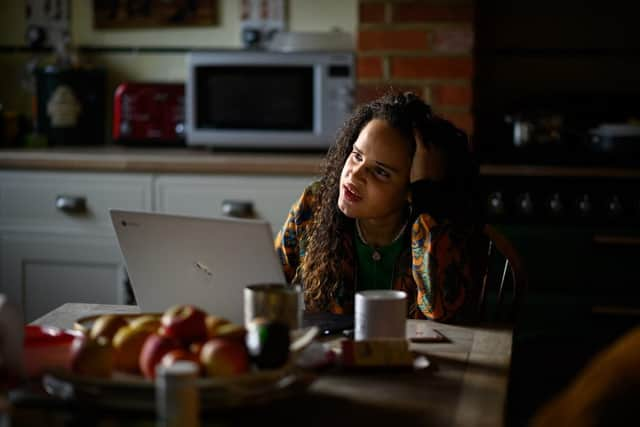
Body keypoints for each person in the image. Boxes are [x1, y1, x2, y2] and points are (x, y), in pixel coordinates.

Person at [274, 91, 485, 321]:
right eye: (357, 155)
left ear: (411, 189)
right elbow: (269, 282)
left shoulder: (438, 226)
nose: (356, 173)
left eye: (380, 172)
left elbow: (442, 310)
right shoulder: (314, 206)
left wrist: (426, 195)